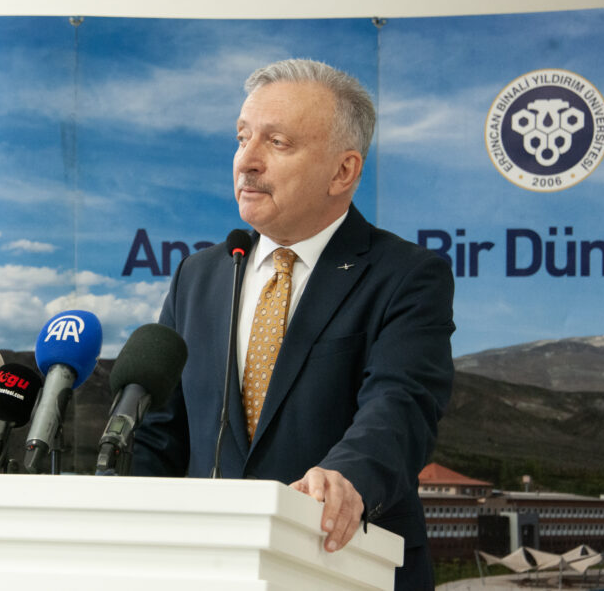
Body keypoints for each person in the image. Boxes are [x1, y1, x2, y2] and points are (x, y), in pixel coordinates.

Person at [133, 58, 455, 589]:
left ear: (343, 171)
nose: (247, 161)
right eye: (242, 138)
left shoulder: (406, 276)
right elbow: (160, 433)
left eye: (277, 142)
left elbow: (400, 404)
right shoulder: (202, 275)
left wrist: (346, 478)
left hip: (343, 564)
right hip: (209, 569)